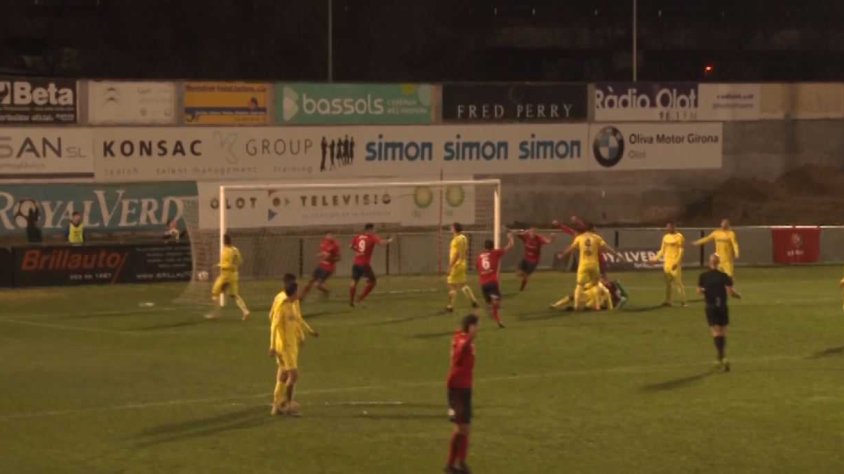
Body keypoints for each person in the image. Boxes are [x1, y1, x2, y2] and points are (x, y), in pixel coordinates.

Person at [269, 274, 318, 416]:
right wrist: (273, 345)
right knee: (293, 375)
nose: (300, 293)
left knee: (283, 373)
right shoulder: (282, 305)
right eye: (298, 290)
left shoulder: (291, 303)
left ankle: (277, 404)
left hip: (291, 343)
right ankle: (288, 404)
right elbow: (274, 324)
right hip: (285, 346)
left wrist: (307, 332)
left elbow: (297, 319)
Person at [444, 313, 479, 474]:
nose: (478, 329)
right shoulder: (462, 340)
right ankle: (456, 465)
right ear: (470, 327)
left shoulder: (461, 337)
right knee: (462, 428)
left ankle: (456, 464)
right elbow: (459, 353)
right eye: (476, 326)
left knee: (464, 428)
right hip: (457, 387)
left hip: (464, 387)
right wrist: (470, 338)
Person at [697, 253, 741, 372]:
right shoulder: (724, 276)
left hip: (710, 306)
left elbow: (699, 291)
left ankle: (721, 357)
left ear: (709, 263)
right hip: (722, 306)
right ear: (718, 263)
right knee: (723, 332)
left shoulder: (703, 276)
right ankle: (722, 357)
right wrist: (738, 295)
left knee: (715, 332)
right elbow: (731, 292)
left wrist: (706, 290)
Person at [559, 226, 616, 310]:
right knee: (596, 285)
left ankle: (576, 306)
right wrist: (615, 254)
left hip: (583, 265)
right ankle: (597, 306)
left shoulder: (580, 237)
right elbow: (606, 247)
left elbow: (571, 248)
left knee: (579, 285)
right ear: (592, 230)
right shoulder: (597, 237)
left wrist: (563, 255)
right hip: (594, 265)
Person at [206, 234, 251, 320]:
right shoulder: (235, 250)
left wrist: (219, 265)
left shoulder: (226, 251)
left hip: (225, 275)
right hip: (234, 275)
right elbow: (240, 261)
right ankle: (245, 311)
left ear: (224, 242)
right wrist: (234, 266)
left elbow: (227, 264)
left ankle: (215, 313)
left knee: (215, 292)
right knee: (235, 295)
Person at [476, 233, 515, 328]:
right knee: (497, 302)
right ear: (493, 247)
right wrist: (510, 238)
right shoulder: (495, 253)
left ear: (484, 247)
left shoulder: (480, 256)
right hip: (492, 282)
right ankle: (496, 316)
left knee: (488, 303)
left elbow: (477, 267)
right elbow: (510, 246)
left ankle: (486, 314)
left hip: (483, 284)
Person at [349, 223, 393, 307]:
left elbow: (350, 246)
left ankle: (351, 301)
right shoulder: (372, 237)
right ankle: (360, 298)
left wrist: (358, 251)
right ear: (370, 229)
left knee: (354, 281)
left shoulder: (358, 236)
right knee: (373, 282)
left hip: (356, 263)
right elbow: (381, 243)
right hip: (364, 264)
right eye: (373, 229)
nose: (374, 231)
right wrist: (389, 240)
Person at [650, 221, 687, 307]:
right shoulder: (665, 237)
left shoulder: (679, 237)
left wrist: (677, 262)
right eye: (667, 227)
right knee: (668, 283)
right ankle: (668, 301)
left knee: (678, 282)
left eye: (669, 227)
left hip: (674, 263)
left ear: (674, 227)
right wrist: (655, 259)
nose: (668, 228)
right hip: (667, 263)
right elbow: (662, 250)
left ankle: (683, 301)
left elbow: (681, 251)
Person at [445, 223, 480, 313]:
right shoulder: (464, 238)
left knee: (452, 286)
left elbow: (456, 254)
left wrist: (450, 266)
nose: (450, 229)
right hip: (463, 263)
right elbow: (466, 251)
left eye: (452, 227)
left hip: (456, 264)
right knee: (463, 284)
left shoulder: (456, 240)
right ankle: (474, 301)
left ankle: (450, 306)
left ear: (455, 229)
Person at [302, 232, 341, 301]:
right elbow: (324, 252)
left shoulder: (335, 245)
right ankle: (302, 297)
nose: (329, 236)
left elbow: (339, 258)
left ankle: (327, 292)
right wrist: (321, 254)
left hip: (328, 268)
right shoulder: (324, 243)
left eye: (331, 235)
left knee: (317, 285)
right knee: (310, 281)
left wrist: (330, 258)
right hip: (321, 265)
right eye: (328, 235)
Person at [514, 226, 553, 291]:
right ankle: (524, 279)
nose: (532, 233)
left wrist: (552, 238)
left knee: (526, 275)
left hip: (533, 261)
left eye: (534, 232)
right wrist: (525, 232)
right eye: (531, 232)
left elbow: (548, 241)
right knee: (518, 273)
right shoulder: (526, 236)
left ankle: (522, 287)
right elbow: (518, 234)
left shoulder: (539, 238)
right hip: (526, 258)